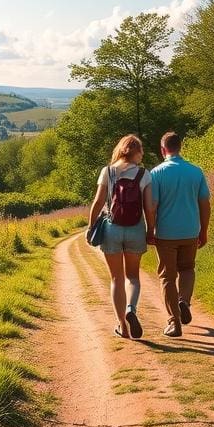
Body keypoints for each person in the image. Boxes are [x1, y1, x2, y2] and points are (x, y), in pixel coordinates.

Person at [86, 134, 156, 339]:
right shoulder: (144, 174)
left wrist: (91, 227)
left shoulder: (107, 171)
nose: (142, 154)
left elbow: (98, 203)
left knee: (116, 278)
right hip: (135, 229)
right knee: (132, 277)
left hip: (112, 228)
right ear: (136, 152)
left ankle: (122, 327)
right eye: (141, 150)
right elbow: (149, 208)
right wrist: (150, 230)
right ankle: (131, 310)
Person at [147, 131, 211, 337]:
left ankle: (174, 322)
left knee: (167, 276)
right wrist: (204, 230)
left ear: (163, 149)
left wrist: (150, 230)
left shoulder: (156, 173)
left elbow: (152, 206)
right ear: (180, 147)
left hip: (166, 233)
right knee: (187, 269)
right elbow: (204, 203)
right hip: (191, 231)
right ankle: (184, 301)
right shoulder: (196, 171)